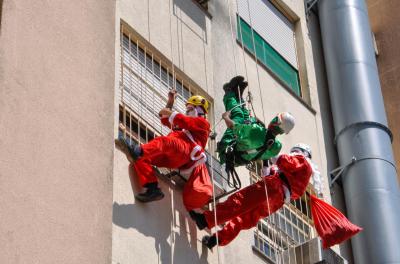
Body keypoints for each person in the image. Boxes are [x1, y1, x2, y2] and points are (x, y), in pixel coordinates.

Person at [190, 144, 361, 249]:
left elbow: (285, 161)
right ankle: (217, 239)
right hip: (277, 200)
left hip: (274, 187)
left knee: (240, 201)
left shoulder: (302, 162)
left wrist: (272, 152)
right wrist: (267, 162)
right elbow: (272, 171)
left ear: (301, 152)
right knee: (244, 218)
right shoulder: (301, 178)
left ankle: (206, 220)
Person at [115, 90, 212, 210]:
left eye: (190, 109)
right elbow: (165, 117)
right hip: (174, 156)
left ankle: (137, 150)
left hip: (185, 150)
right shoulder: (184, 127)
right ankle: (152, 188)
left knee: (164, 142)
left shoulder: (203, 124)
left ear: (199, 110)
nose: (187, 112)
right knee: (143, 158)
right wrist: (170, 102)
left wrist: (170, 112)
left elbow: (180, 119)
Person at [217, 76, 295, 167]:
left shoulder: (257, 131)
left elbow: (233, 126)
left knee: (238, 116)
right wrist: (261, 126)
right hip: (239, 157)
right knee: (248, 120)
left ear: (276, 122)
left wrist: (226, 117)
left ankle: (229, 92)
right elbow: (263, 142)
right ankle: (239, 97)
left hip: (228, 148)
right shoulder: (276, 147)